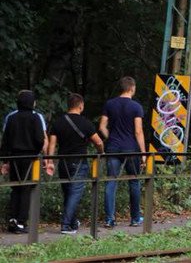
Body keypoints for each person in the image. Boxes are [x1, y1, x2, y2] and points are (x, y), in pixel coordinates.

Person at [47, 93, 104, 234]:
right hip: (79, 163)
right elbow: (98, 141)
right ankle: (66, 225)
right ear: (81, 106)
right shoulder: (86, 123)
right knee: (75, 194)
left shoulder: (58, 122)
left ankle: (72, 222)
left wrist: (50, 161)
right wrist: (100, 152)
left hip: (63, 163)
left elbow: (52, 144)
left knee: (67, 193)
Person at [99, 76, 146, 228]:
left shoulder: (109, 104)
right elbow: (138, 132)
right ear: (132, 88)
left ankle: (109, 219)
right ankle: (135, 218)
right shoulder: (136, 107)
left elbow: (102, 127)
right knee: (134, 181)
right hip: (131, 149)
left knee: (111, 181)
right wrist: (143, 154)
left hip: (113, 147)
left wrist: (110, 137)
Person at [0, 90, 47, 234]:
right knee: (26, 189)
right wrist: (37, 152)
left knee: (15, 188)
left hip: (14, 157)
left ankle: (12, 219)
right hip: (29, 157)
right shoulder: (35, 118)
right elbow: (40, 139)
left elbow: (6, 139)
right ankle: (21, 221)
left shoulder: (11, 117)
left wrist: (5, 159)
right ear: (32, 102)